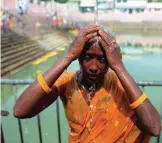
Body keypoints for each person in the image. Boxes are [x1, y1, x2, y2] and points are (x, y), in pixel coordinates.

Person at [13, 24, 161, 143]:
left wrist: (119, 67)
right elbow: (20, 111)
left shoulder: (120, 85)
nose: (93, 67)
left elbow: (154, 128)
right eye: (88, 57)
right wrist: (67, 56)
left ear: (111, 61)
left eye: (102, 60)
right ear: (78, 57)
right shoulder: (67, 83)